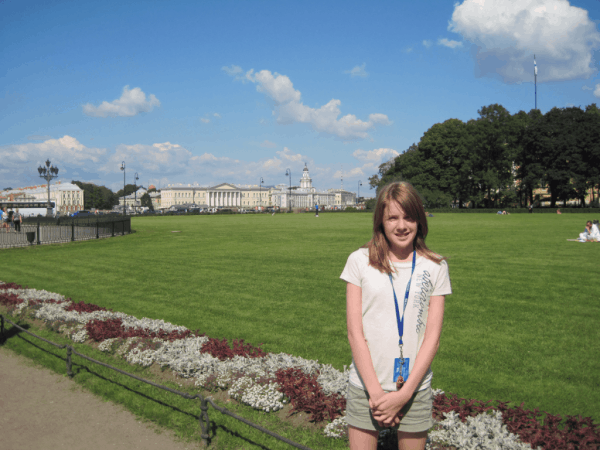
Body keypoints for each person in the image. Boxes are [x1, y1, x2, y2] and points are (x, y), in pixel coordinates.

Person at [340, 181, 452, 450]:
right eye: (393, 217)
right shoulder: (360, 260)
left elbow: (432, 339)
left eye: (409, 217)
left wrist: (404, 395)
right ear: (381, 220)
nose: (402, 226)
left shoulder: (435, 266)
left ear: (419, 220)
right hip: (365, 388)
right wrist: (377, 393)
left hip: (414, 389)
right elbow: (355, 333)